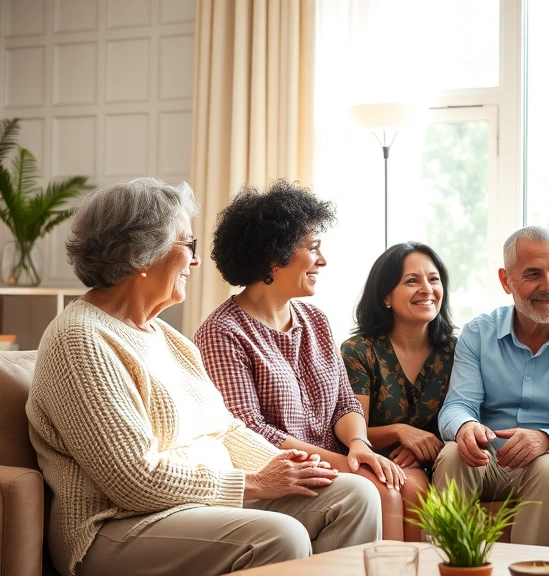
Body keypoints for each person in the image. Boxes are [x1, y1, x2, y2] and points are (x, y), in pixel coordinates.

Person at [26, 178, 381, 576]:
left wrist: (288, 465)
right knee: (278, 536)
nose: (196, 262)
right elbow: (134, 480)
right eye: (187, 246)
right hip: (115, 524)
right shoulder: (80, 339)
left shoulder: (169, 339)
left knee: (354, 495)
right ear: (142, 255)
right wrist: (254, 484)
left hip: (198, 503)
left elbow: (225, 430)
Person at [194, 180, 406, 540]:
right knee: (380, 488)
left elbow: (344, 402)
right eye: (313, 248)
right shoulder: (221, 332)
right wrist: (348, 466)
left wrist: (358, 446)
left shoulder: (316, 319)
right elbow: (251, 431)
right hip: (280, 475)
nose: (322, 260)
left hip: (335, 462)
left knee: (395, 487)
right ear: (274, 257)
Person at [433, 225, 549, 546]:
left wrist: (546, 439)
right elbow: (457, 404)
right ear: (506, 281)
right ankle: (450, 565)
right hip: (489, 461)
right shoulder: (478, 333)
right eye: (533, 274)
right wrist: (465, 426)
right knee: (453, 454)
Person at [341, 242, 458, 541]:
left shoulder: (455, 351)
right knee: (411, 488)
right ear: (386, 297)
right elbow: (356, 427)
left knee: (415, 485)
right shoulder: (359, 350)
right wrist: (400, 431)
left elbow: (469, 412)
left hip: (441, 460)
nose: (427, 289)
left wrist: (423, 446)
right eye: (412, 281)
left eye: (433, 279)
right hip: (374, 457)